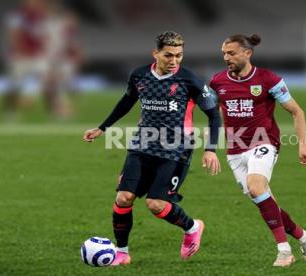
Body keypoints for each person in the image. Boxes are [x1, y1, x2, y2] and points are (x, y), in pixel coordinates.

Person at [83, 31, 221, 266]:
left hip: (176, 148)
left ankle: (192, 227)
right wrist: (102, 128)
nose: (174, 60)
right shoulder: (139, 75)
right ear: (155, 53)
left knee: (156, 204)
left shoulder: (190, 80)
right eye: (169, 55)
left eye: (179, 55)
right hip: (142, 143)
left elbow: (213, 115)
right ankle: (123, 252)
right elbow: (126, 102)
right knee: (124, 198)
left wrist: (210, 149)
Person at [209, 34, 306, 267]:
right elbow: (215, 114)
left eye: (232, 53)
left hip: (264, 143)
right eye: (224, 54)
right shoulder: (217, 81)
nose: (226, 57)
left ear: (247, 53)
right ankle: (304, 237)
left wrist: (303, 145)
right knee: (266, 202)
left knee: (256, 186)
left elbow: (296, 111)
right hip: (235, 150)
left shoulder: (268, 80)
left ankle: (284, 251)